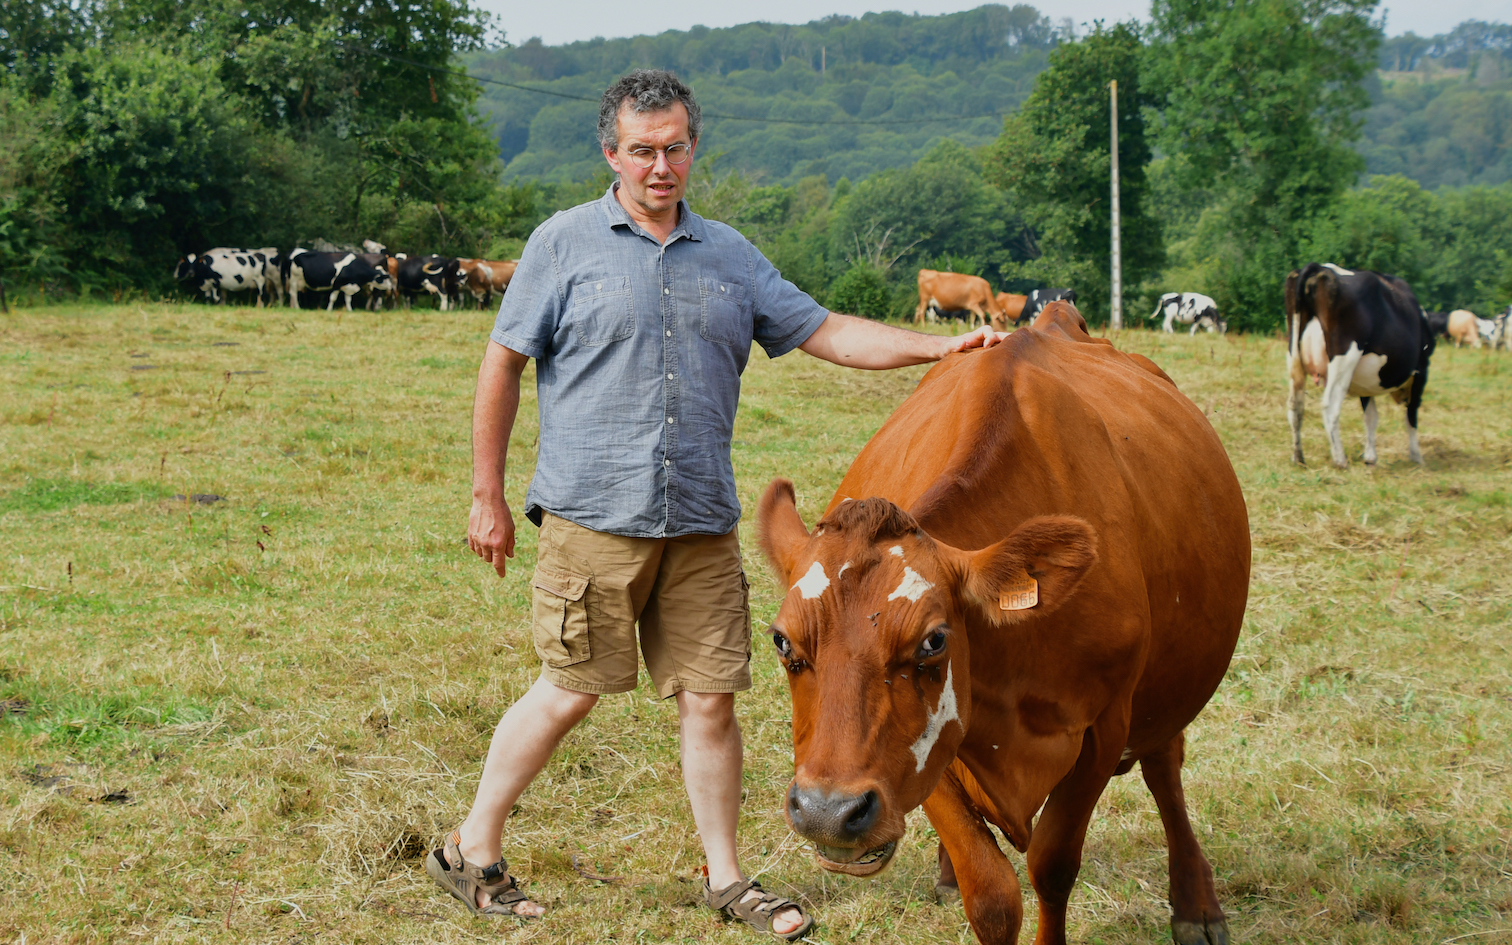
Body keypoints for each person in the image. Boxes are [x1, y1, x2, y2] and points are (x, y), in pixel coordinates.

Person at [428, 68, 1006, 940]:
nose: (660, 167)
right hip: (593, 516)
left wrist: (942, 349)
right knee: (569, 689)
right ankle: (471, 848)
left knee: (711, 699)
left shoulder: (730, 255)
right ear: (610, 152)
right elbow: (501, 364)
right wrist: (487, 495)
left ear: (693, 147)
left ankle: (727, 875)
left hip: (699, 522)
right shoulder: (562, 243)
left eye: (674, 148)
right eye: (642, 150)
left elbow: (826, 331)